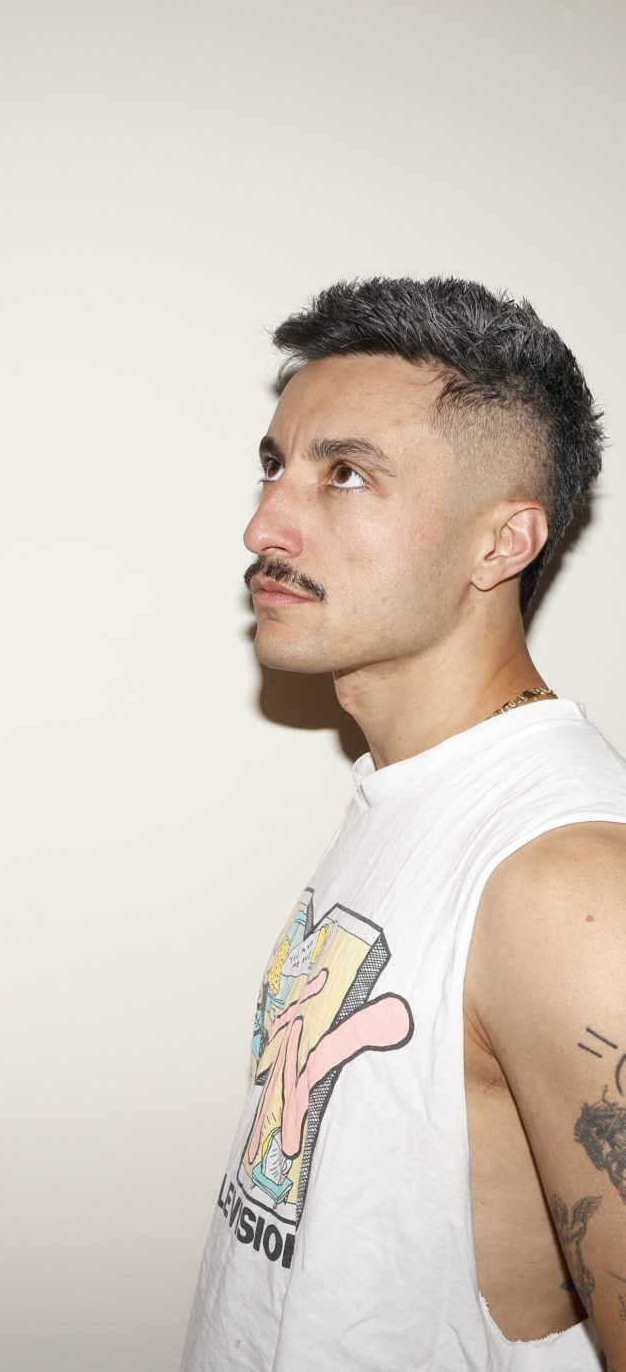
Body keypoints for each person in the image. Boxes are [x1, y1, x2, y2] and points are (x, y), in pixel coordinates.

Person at [182, 279, 626, 1371]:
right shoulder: (413, 794)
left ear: (502, 542)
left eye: (345, 474)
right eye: (276, 466)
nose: (262, 524)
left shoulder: (568, 886)